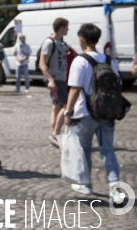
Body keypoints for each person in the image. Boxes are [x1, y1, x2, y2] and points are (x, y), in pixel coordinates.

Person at [64, 24, 124, 204]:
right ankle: (115, 188)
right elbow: (118, 83)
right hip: (107, 112)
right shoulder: (108, 59)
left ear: (81, 40)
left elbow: (74, 89)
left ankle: (86, 183)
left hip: (85, 113)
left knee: (84, 150)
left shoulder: (79, 60)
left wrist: (68, 112)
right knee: (107, 150)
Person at [39, 17, 69, 148]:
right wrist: (50, 80)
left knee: (56, 108)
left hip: (60, 78)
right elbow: (42, 63)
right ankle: (55, 134)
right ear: (61, 27)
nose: (68, 29)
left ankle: (53, 137)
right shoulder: (49, 42)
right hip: (56, 80)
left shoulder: (60, 42)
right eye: (67, 27)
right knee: (67, 106)